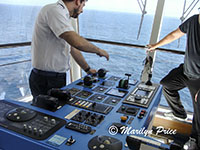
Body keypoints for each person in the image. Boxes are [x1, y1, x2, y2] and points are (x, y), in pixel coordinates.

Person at [29, 0, 109, 100]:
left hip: (55, 78)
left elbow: (72, 47)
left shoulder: (63, 15)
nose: (82, 10)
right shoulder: (54, 10)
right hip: (46, 80)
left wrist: (87, 69)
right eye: (83, 5)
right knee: (46, 113)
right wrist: (99, 50)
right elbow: (77, 42)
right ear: (77, 1)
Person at [147, 12, 200, 150]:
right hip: (186, 71)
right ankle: (179, 113)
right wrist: (156, 45)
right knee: (167, 84)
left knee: (199, 109)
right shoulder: (193, 20)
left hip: (199, 78)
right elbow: (175, 34)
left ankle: (195, 141)